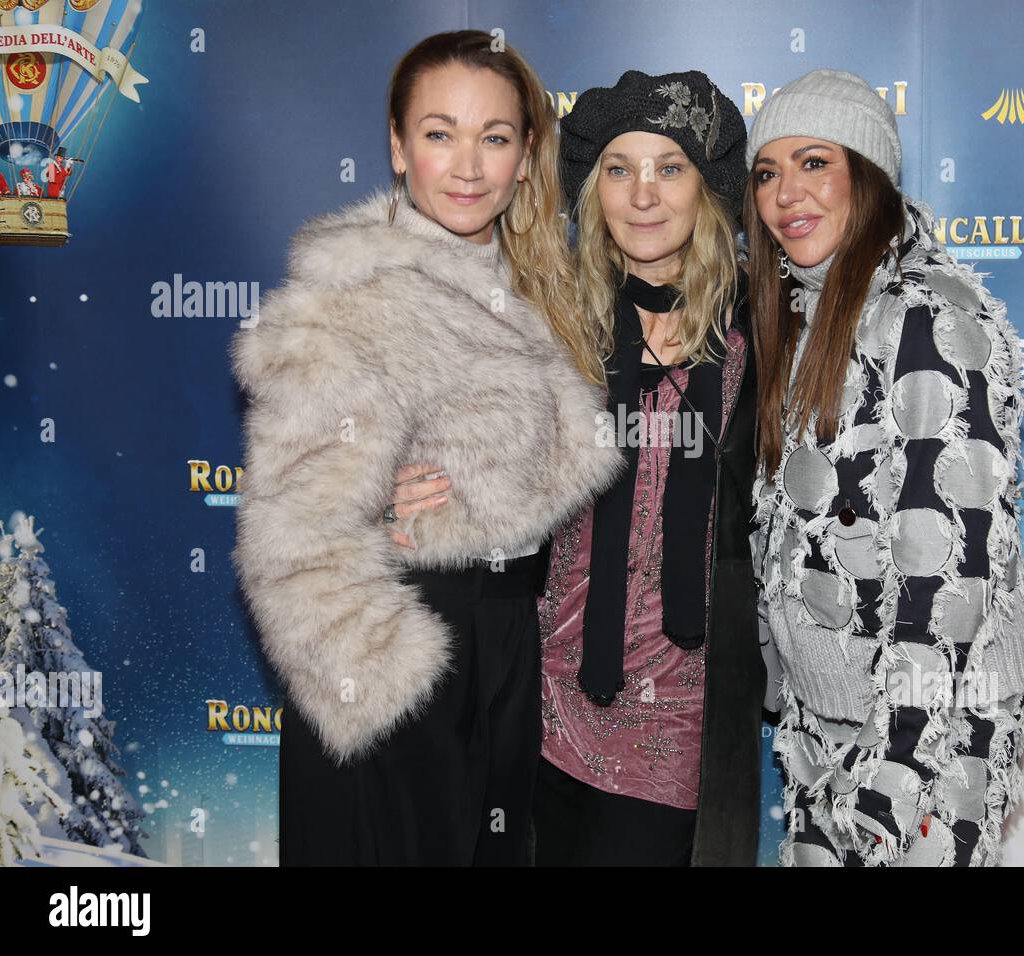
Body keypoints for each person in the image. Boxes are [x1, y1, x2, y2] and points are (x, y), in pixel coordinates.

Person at [230, 30, 621, 866]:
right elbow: (289, 539)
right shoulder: (346, 300)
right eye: (440, 134)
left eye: (495, 137)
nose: (469, 166)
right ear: (399, 148)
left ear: (525, 158)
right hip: (404, 652)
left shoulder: (540, 292)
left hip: (509, 648)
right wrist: (385, 680)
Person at [390, 70, 765, 867]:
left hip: (682, 722)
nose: (644, 194)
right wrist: (380, 489)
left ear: (707, 191)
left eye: (670, 169)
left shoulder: (757, 339)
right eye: (620, 170)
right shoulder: (549, 326)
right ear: (594, 191)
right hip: (544, 709)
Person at [745, 69, 1024, 867]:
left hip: (928, 729)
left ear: (866, 179)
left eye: (814, 163)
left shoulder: (926, 316)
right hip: (828, 719)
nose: (784, 195)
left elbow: (946, 567)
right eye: (767, 172)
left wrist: (901, 763)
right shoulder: (807, 307)